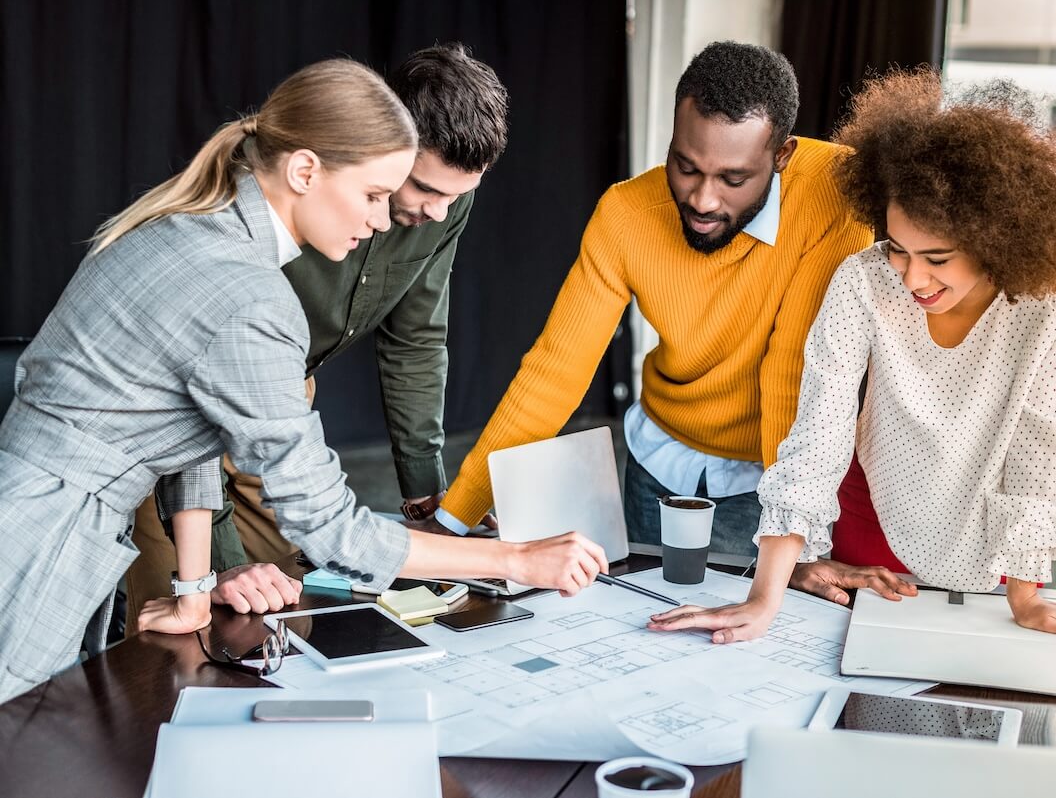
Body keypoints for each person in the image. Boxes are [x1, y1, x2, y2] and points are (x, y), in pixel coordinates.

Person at [0, 59, 605, 704]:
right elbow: (329, 528)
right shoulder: (251, 293)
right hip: (43, 540)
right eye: (374, 195)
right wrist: (516, 559)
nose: (381, 221)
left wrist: (195, 591)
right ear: (305, 171)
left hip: (43, 513)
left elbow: (190, 430)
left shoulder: (199, 226)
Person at [648, 69, 1056, 644]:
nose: (911, 276)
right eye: (899, 247)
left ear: (999, 240)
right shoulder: (865, 279)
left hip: (988, 537)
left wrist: (1025, 599)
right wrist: (763, 596)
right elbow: (818, 436)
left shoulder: (1052, 288)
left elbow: (1043, 444)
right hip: (871, 518)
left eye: (937, 257)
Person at [433, 42, 873, 559]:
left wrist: (793, 544)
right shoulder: (625, 214)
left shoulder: (838, 192)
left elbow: (792, 375)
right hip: (659, 460)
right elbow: (554, 371)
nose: (702, 200)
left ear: (781, 156)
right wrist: (454, 519)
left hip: (771, 480)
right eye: (685, 167)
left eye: (733, 179)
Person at [122, 43, 511, 623]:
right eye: (424, 190)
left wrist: (427, 494)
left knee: (290, 610)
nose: (438, 212)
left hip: (283, 403)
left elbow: (415, 338)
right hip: (171, 416)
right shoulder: (259, 211)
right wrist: (218, 569)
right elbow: (193, 420)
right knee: (183, 634)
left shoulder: (443, 204)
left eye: (458, 195)